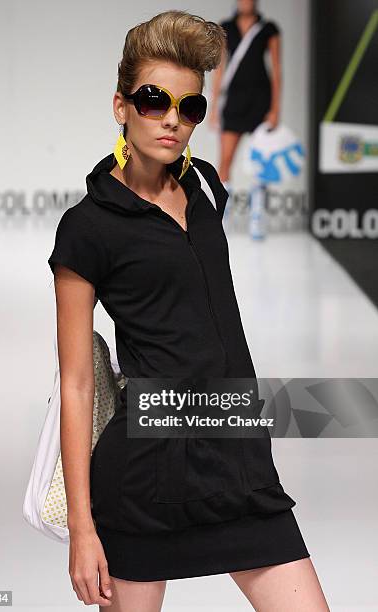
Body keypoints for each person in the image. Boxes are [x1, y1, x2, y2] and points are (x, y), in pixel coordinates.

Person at [47, 10, 330, 611]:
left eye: (190, 106)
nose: (173, 119)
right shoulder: (87, 228)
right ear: (121, 106)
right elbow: (74, 382)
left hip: (238, 462)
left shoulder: (204, 186)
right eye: (153, 101)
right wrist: (83, 529)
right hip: (144, 478)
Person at [209, 0, 282, 198]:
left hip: (260, 100)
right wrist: (214, 108)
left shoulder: (268, 28)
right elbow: (220, 69)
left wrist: (275, 109)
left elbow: (276, 71)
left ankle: (257, 220)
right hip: (233, 100)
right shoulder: (226, 27)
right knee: (225, 160)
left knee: (261, 163)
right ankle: (220, 217)